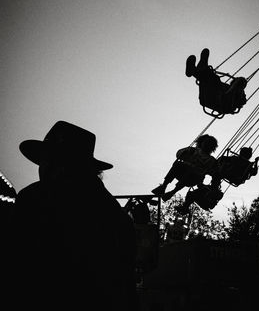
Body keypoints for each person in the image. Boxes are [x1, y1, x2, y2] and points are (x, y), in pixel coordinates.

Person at [13, 121, 138, 311]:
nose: (41, 168)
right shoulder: (116, 214)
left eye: (46, 160)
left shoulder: (35, 198)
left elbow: (18, 265)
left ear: (60, 165)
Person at [152, 134, 221, 201]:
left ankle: (173, 191)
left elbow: (216, 174)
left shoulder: (211, 160)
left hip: (194, 178)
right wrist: (185, 152)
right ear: (202, 143)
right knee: (178, 164)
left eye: (209, 144)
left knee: (192, 172)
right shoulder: (193, 150)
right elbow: (178, 154)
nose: (206, 145)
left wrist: (213, 187)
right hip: (182, 172)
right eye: (205, 143)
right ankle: (163, 186)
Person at [186, 48, 247, 116]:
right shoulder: (229, 89)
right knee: (212, 79)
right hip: (209, 97)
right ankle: (197, 70)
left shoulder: (234, 96)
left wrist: (239, 83)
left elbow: (232, 94)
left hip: (213, 98)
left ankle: (199, 69)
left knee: (213, 80)